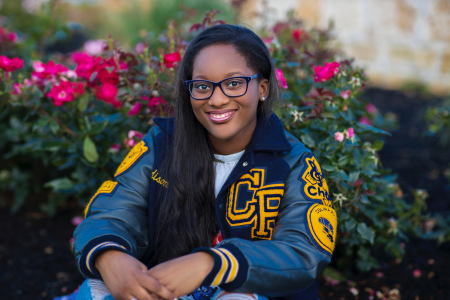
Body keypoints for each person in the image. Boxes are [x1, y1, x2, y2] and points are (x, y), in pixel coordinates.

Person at [73, 24, 337, 300]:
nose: (217, 99)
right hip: (163, 290)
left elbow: (303, 251)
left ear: (262, 87)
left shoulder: (294, 161)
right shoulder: (160, 143)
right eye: (202, 86)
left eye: (234, 83)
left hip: (247, 294)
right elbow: (110, 213)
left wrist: (213, 263)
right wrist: (109, 257)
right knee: (94, 290)